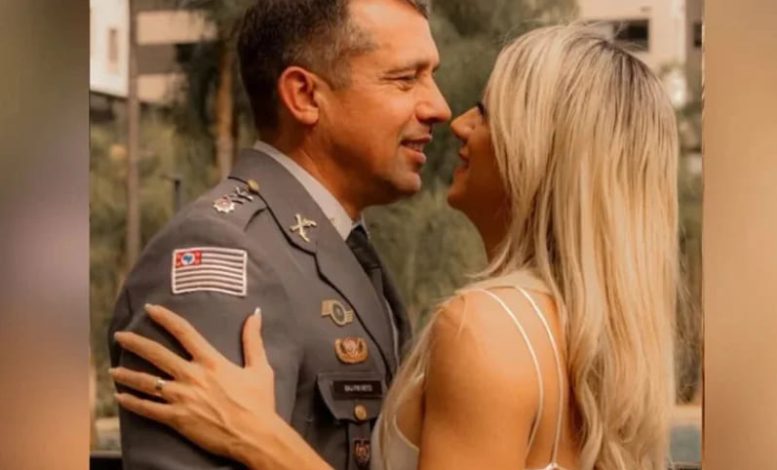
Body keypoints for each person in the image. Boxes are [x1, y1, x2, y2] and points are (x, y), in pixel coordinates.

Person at [110, 24, 681, 470]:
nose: (454, 119)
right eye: (405, 80)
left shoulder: (488, 325)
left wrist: (263, 441)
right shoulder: (586, 328)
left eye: (488, 111)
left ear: (540, 150)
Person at [107, 0, 450, 468]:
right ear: (304, 96)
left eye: (430, 77)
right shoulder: (223, 251)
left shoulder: (339, 244)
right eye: (405, 79)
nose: (439, 107)